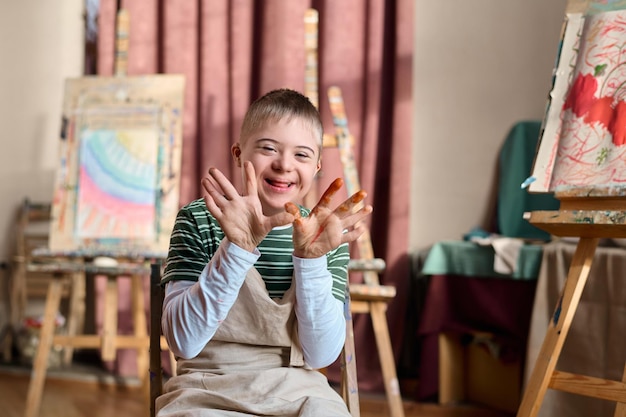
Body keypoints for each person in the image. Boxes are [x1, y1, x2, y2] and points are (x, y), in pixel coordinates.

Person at [156, 88, 373, 416]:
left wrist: (311, 259)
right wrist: (238, 247)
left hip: (299, 388)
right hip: (206, 387)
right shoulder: (200, 219)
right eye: (269, 148)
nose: (284, 164)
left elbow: (321, 356)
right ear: (238, 153)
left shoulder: (324, 234)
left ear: (316, 167)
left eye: (301, 155)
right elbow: (182, 342)